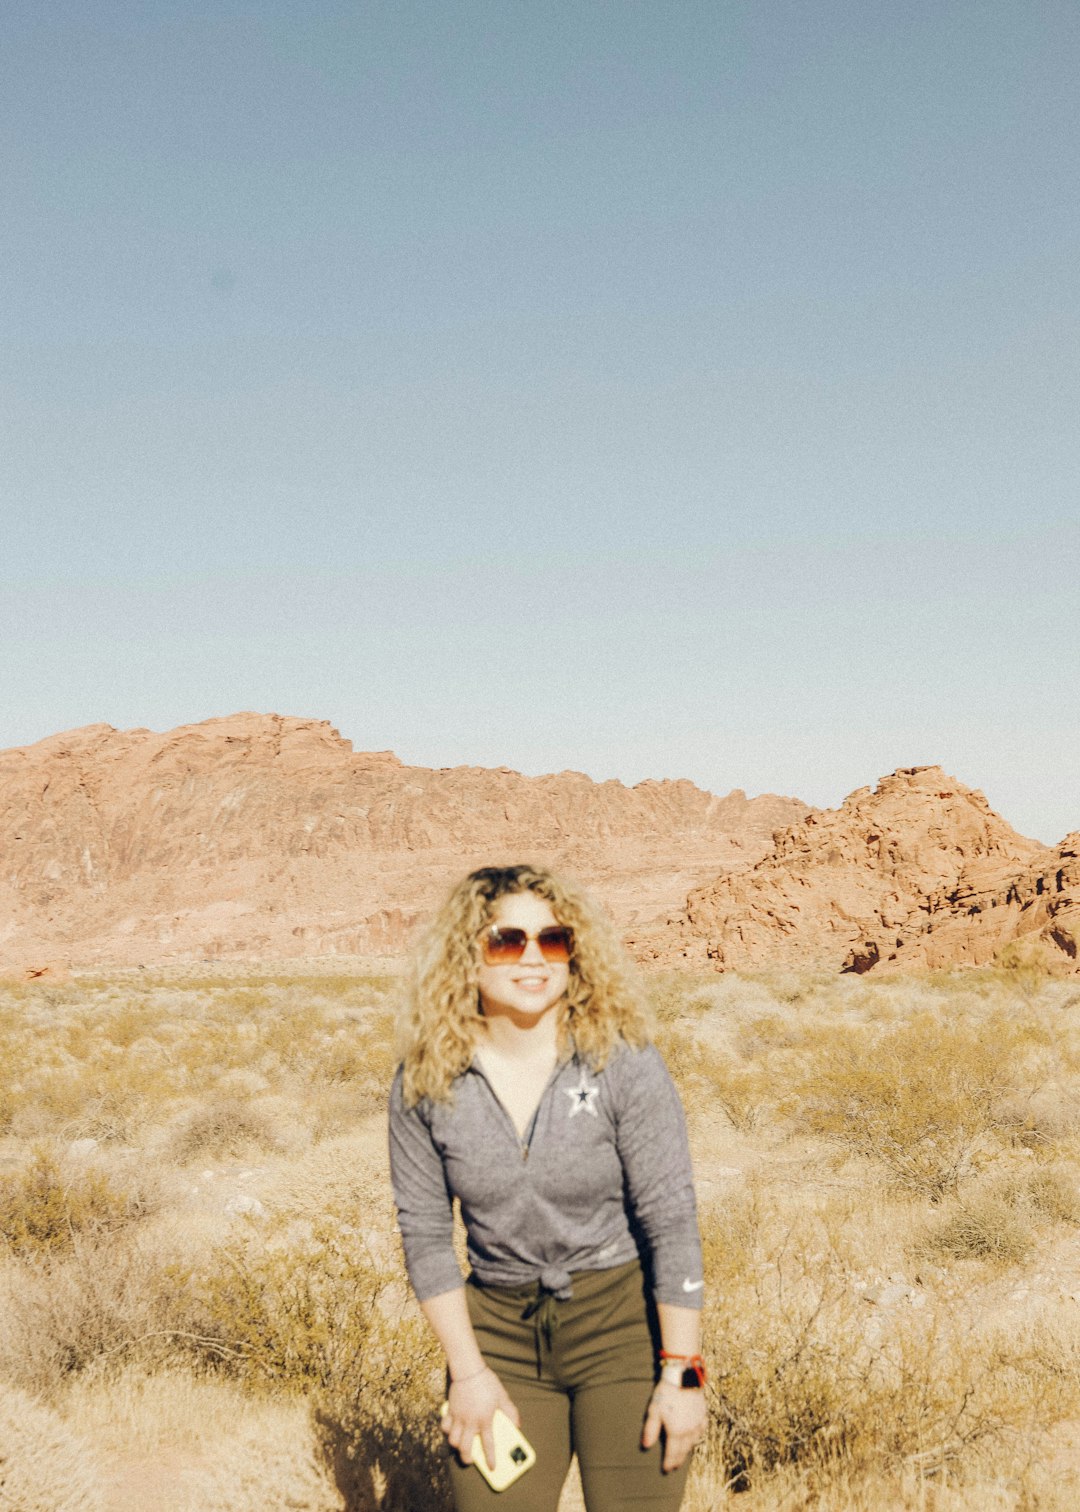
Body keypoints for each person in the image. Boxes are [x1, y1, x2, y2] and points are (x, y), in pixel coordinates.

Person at [388, 864, 707, 1511]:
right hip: (497, 1340)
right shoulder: (428, 1081)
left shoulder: (622, 1060)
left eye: (552, 940)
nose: (532, 958)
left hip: (621, 1335)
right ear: (466, 956)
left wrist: (684, 1374)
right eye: (507, 941)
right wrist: (468, 1374)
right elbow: (425, 1239)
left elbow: (671, 1220)